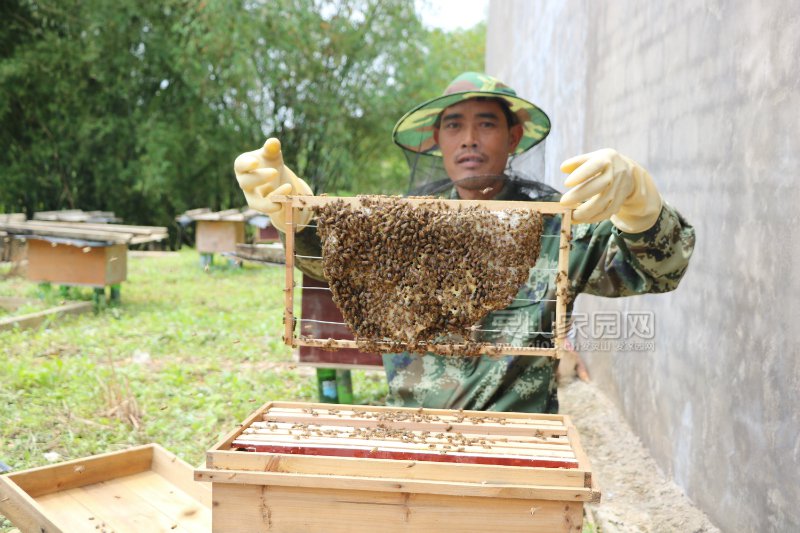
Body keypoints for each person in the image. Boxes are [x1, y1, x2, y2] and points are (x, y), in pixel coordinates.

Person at [234, 72, 695, 413]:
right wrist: (302, 221)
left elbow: (658, 268)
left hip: (518, 449)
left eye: (487, 125)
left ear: (513, 136)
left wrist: (640, 205)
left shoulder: (560, 226)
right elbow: (331, 265)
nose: (469, 139)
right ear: (437, 140)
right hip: (412, 439)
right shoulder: (402, 225)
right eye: (454, 125)